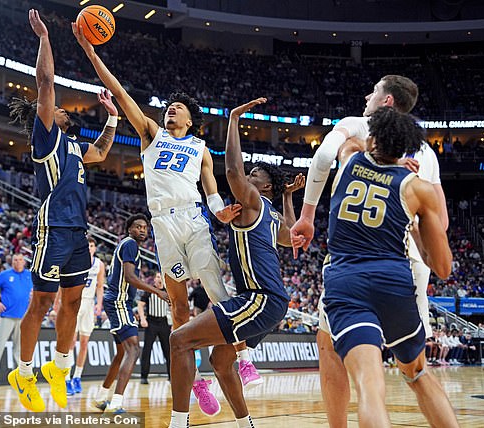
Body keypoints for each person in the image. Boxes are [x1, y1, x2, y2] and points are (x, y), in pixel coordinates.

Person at [72, 21, 262, 413]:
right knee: (178, 308)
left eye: (178, 108)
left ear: (190, 119)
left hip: (194, 220)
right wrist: (91, 53)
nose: (170, 109)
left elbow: (211, 198)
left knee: (217, 293)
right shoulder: (151, 134)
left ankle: (242, 359)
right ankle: (196, 383)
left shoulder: (202, 150)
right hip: (162, 225)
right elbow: (122, 94)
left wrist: (222, 212)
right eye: (169, 107)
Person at [291, 107, 458, 427]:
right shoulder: (417, 189)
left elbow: (339, 146)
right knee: (418, 373)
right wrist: (412, 226)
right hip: (393, 284)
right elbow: (443, 268)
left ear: (373, 138)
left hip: (347, 284)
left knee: (369, 386)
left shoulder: (349, 158)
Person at [167, 98, 304, 428]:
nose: (249, 177)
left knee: (179, 340)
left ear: (264, 186)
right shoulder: (270, 214)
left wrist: (232, 120)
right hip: (270, 303)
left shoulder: (255, 202)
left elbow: (230, 171)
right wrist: (287, 195)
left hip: (259, 299)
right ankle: (246, 425)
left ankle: (178, 422)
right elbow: (292, 235)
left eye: (255, 175)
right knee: (219, 361)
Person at [7, 9, 118, 412]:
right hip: (53, 228)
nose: (56, 108)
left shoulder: (75, 148)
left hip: (78, 234)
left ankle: (59, 366)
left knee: (71, 303)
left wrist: (113, 117)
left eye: (56, 109)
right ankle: (22, 371)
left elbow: (104, 151)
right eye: (50, 108)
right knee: (41, 303)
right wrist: (45, 38)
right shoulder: (47, 139)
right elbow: (46, 82)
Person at [94, 214, 169, 414]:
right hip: (118, 302)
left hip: (119, 302)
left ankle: (101, 397)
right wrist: (158, 292)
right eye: (138, 227)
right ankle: (116, 404)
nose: (142, 230)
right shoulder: (130, 245)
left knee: (121, 353)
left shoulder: (127, 245)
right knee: (133, 351)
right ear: (129, 229)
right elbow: (129, 277)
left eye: (145, 227)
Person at [0, 254, 32, 386]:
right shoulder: (5, 275)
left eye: (20, 260)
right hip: (7, 316)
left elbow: (34, 292)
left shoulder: (29, 275)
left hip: (23, 317)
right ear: (12, 262)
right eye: (15, 260)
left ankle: (18, 375)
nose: (18, 262)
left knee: (20, 348)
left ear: (24, 262)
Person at [66, 237, 105, 396]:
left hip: (89, 304)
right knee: (70, 343)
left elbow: (100, 286)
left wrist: (99, 304)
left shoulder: (99, 264)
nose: (89, 248)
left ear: (94, 248)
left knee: (84, 343)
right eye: (87, 245)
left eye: (91, 246)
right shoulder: (74, 261)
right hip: (76, 302)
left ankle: (77, 377)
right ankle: (67, 379)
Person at [138, 272, 172, 384]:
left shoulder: (168, 292)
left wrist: (174, 324)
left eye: (161, 277)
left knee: (168, 350)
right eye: (157, 277)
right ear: (154, 280)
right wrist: (143, 318)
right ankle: (144, 376)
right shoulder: (150, 291)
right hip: (151, 322)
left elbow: (173, 308)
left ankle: (171, 376)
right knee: (147, 350)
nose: (159, 279)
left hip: (163, 323)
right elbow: (140, 305)